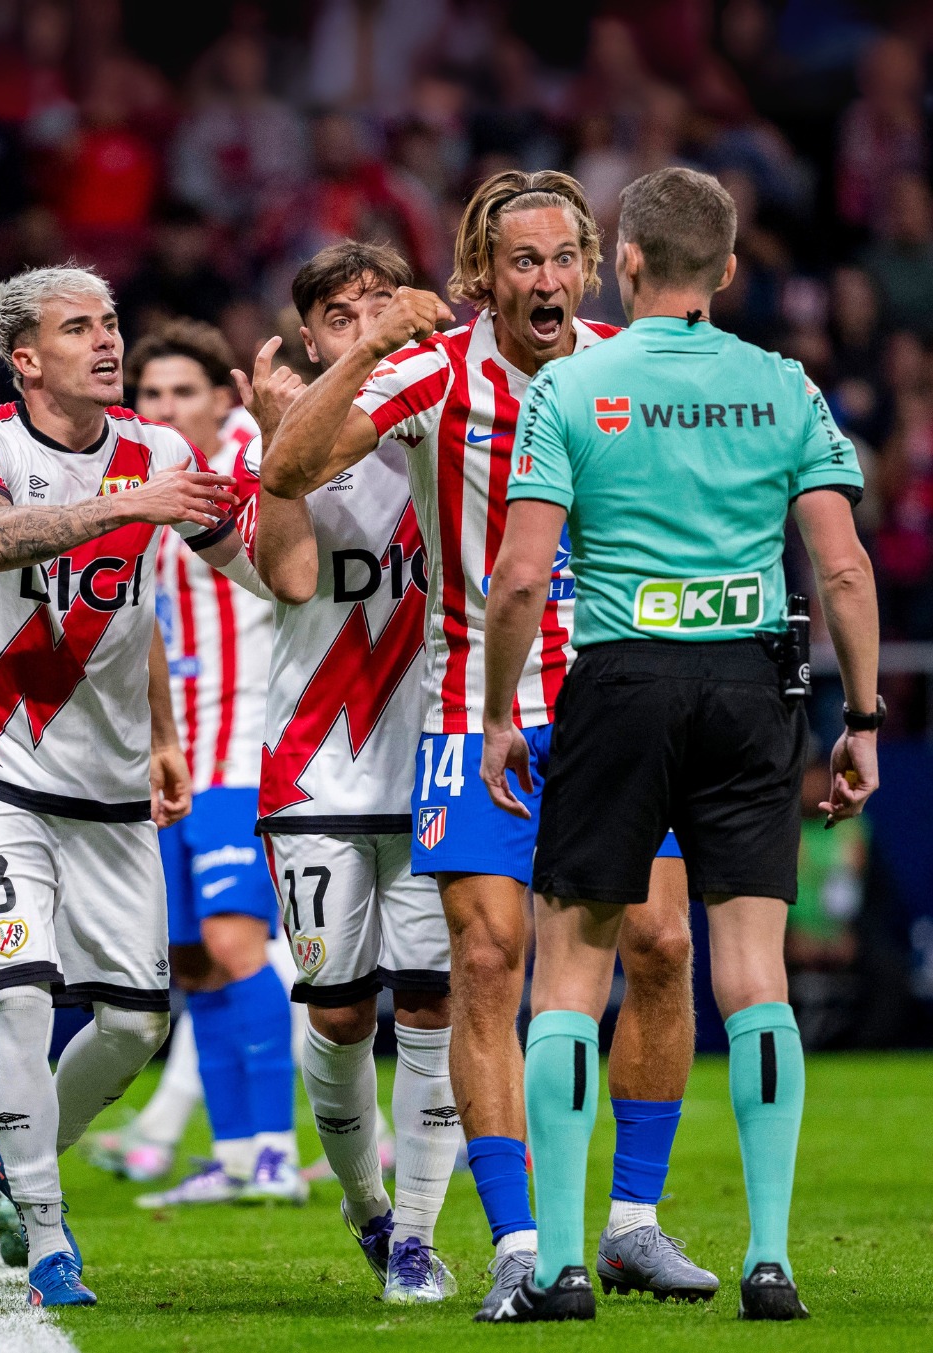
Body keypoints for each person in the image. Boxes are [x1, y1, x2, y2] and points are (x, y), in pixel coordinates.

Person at [261, 170, 714, 1315]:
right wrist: (363, 350)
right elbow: (288, 470)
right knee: (486, 962)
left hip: (623, 700)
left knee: (660, 947)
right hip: (476, 708)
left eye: (566, 257)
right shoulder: (438, 368)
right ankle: (516, 1244)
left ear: (594, 267)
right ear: (482, 278)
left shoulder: (637, 362)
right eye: (525, 262)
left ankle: (632, 1226)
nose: (549, 280)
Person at [480, 166, 878, 1323]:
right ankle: (768, 1258)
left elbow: (517, 579)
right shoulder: (784, 384)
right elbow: (843, 566)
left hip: (615, 678)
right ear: (732, 269)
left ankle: (558, 1264)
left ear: (626, 262)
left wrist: (505, 711)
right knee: (754, 974)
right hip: (756, 680)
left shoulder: (572, 387)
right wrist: (861, 720)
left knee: (570, 972)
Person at [0, 264, 264, 1308]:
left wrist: (165, 735)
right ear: (24, 359)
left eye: (112, 322)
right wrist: (132, 503)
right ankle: (42, 1232)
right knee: (21, 994)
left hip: (115, 785)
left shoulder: (159, 451)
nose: (108, 341)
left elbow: (228, 582)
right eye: (79, 328)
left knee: (134, 1022)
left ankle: (11, 1154)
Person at [242, 240, 462, 1303]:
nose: (369, 323)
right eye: (342, 313)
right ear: (310, 337)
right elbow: (287, 570)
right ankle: (367, 1202)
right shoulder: (280, 454)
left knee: (433, 1004)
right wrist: (293, 420)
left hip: (441, 766)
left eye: (385, 304)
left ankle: (415, 1236)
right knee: (338, 1013)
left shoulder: (455, 423)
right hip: (317, 772)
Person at [127, 319, 303, 1205]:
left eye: (182, 391)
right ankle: (234, 1155)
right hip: (172, 758)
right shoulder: (140, 480)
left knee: (240, 943)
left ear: (226, 397)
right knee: (192, 957)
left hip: (244, 748)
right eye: (150, 394)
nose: (165, 408)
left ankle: (275, 1149)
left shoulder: (248, 466)